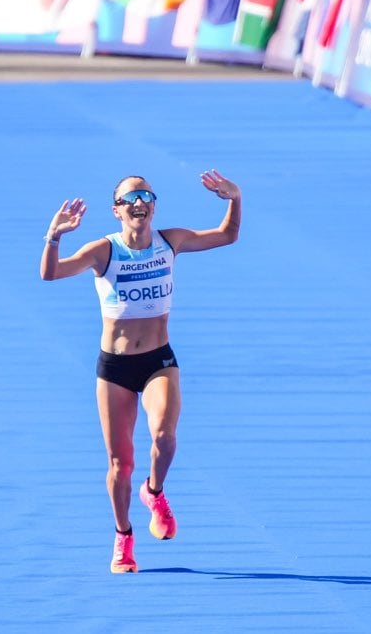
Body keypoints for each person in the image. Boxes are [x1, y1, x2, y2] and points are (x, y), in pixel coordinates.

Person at [39, 169, 241, 573]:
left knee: (164, 436)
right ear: (117, 210)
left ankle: (155, 491)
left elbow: (227, 235)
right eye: (130, 198)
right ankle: (123, 535)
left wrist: (235, 199)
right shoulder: (103, 251)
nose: (139, 203)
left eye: (146, 196)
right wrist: (54, 236)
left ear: (153, 207)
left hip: (157, 361)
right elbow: (51, 273)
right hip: (114, 368)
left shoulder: (171, 241)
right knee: (120, 465)